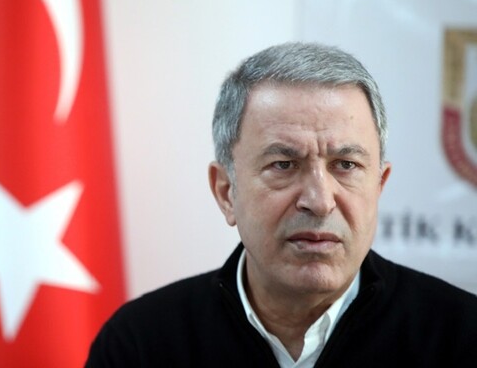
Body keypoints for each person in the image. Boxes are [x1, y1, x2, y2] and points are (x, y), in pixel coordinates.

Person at [86, 42, 477, 367]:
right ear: (226, 191)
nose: (319, 201)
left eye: (345, 165)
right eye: (283, 165)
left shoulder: (462, 337)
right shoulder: (140, 345)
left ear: (379, 185)